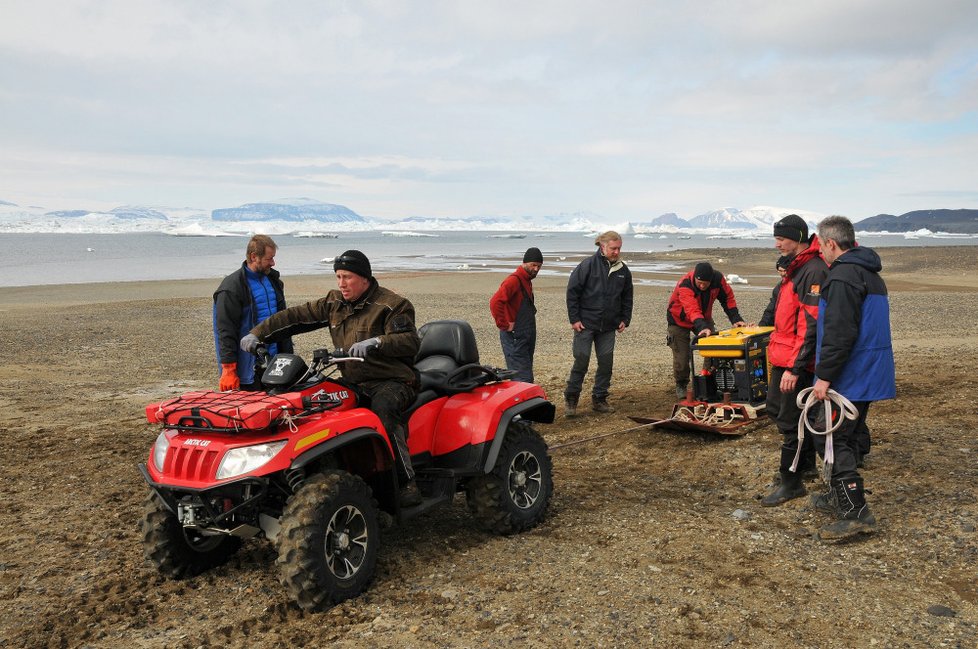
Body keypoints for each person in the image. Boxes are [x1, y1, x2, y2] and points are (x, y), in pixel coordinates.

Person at [241, 250, 423, 506]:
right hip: (355, 381)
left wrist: (377, 341)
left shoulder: (393, 305)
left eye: (347, 277)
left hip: (393, 381)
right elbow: (294, 317)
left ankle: (405, 482)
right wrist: (257, 333)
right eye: (338, 276)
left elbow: (410, 342)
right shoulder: (334, 303)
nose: (341, 283)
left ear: (364, 278)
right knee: (315, 403)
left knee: (384, 411)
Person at [811, 215, 895, 540]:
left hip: (851, 373)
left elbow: (840, 333)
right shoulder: (870, 274)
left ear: (831, 244)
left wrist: (824, 377)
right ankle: (840, 495)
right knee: (849, 433)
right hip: (871, 370)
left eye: (820, 245)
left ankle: (855, 511)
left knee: (829, 435)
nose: (820, 251)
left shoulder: (843, 277)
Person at [759, 214, 828, 507]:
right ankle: (805, 466)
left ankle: (791, 482)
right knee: (779, 411)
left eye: (782, 239)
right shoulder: (796, 269)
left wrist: (795, 368)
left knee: (790, 422)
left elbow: (810, 325)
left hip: (796, 361)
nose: (777, 244)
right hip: (785, 354)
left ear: (798, 237)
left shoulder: (811, 271)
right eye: (776, 238)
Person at [564, 231, 633, 416]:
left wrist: (625, 319)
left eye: (619, 248)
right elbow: (572, 292)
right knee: (581, 361)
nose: (616, 252)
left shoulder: (623, 270)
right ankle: (571, 399)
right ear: (603, 246)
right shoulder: (587, 265)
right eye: (613, 248)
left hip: (608, 326)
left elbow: (627, 297)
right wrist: (575, 319)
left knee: (605, 364)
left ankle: (599, 399)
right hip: (585, 324)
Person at [213, 234, 293, 392]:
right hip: (248, 368)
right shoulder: (231, 288)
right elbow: (225, 331)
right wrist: (228, 370)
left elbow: (282, 321)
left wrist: (288, 355)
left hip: (275, 363)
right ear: (254, 256)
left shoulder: (273, 281)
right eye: (269, 259)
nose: (273, 263)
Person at [666, 262, 747, 398]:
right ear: (695, 279)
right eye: (700, 283)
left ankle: (707, 379)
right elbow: (691, 309)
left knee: (713, 350)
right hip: (679, 321)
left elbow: (727, 298)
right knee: (682, 357)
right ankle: (681, 384)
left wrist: (736, 319)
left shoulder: (718, 280)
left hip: (703, 317)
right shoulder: (685, 284)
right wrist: (703, 328)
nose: (702, 286)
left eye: (706, 283)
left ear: (711, 280)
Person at [489, 247, 543, 382]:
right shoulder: (513, 280)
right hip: (515, 337)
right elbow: (495, 302)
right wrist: (504, 324)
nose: (536, 269)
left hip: (526, 335)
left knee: (525, 371)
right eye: (533, 265)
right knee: (523, 378)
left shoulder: (526, 280)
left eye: (539, 266)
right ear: (524, 263)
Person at [758, 255, 791, 327]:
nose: (783, 274)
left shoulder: (798, 286)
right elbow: (771, 310)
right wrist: (762, 326)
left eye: (785, 270)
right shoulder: (778, 288)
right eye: (780, 271)